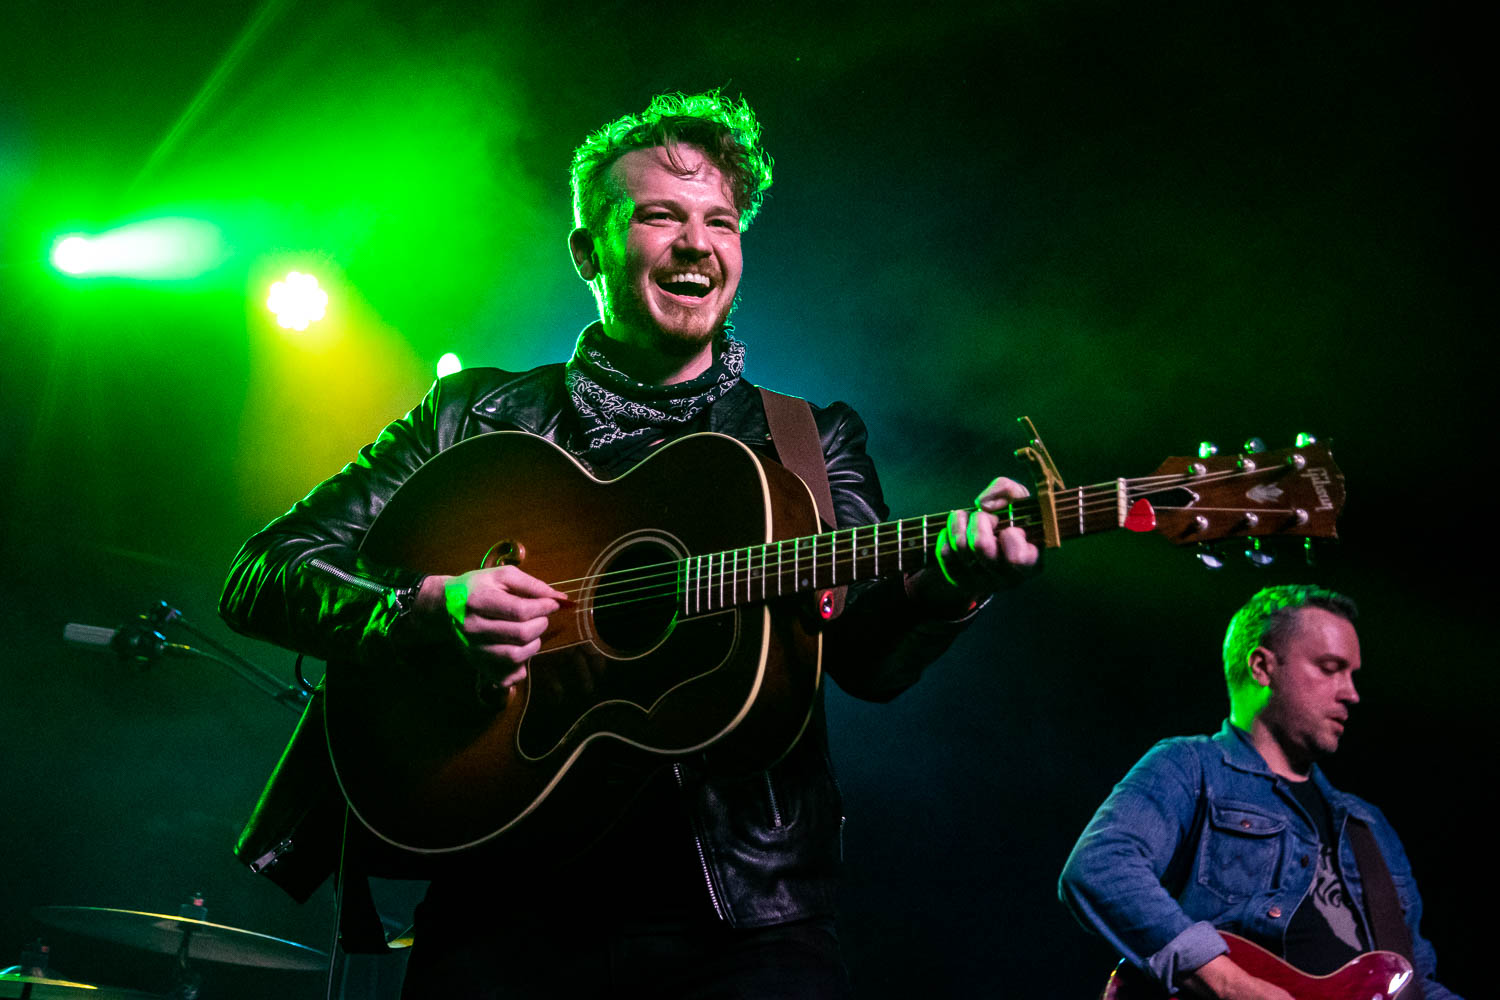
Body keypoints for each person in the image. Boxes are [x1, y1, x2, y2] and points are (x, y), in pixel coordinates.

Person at [221, 90, 1038, 999]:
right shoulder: (472, 417)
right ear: (588, 250)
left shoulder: (810, 440)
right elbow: (261, 572)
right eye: (661, 216)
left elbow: (863, 662)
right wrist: (422, 606)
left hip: (746, 916)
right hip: (502, 899)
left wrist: (945, 590)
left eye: (720, 221)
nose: (698, 243)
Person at [1058, 585, 1459, 999]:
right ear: (1262, 667)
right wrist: (1230, 985)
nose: (1351, 693)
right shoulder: (1192, 765)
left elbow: (1416, 982)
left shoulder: (1369, 825)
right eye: (1329, 667)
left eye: (1352, 675)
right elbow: (1100, 866)